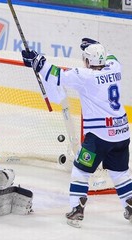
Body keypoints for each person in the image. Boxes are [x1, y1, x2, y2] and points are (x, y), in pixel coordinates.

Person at [21, 38, 132, 227]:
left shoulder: (85, 76)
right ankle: (130, 204)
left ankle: (76, 209)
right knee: (120, 173)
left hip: (99, 138)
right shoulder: (114, 67)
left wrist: (36, 60)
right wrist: (97, 45)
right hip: (122, 133)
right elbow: (112, 56)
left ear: (88, 61)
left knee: (81, 171)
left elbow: (55, 74)